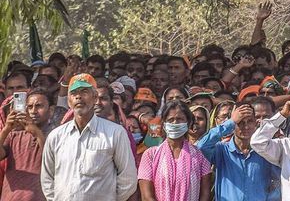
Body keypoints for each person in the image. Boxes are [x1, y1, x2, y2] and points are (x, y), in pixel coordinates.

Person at [41, 73, 138, 201]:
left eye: (84, 91)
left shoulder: (115, 133)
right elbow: (47, 179)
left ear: (95, 97)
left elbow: (128, 179)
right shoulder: (56, 136)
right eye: (74, 93)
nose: (78, 97)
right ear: (69, 101)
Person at [196, 101, 280, 201]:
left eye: (250, 121)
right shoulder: (221, 150)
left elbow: (277, 182)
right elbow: (201, 146)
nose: (246, 127)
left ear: (255, 123)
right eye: (240, 122)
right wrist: (231, 121)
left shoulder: (264, 151)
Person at [137, 99, 214, 201]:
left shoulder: (199, 156)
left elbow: (205, 195)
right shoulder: (151, 155)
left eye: (180, 119)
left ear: (189, 123)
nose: (175, 123)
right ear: (164, 124)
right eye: (170, 119)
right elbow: (147, 196)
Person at [0, 88, 55, 201]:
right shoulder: (14, 135)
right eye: (29, 107)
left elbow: (52, 161)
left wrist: (36, 133)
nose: (33, 111)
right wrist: (6, 129)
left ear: (51, 110)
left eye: (39, 106)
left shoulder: (56, 135)